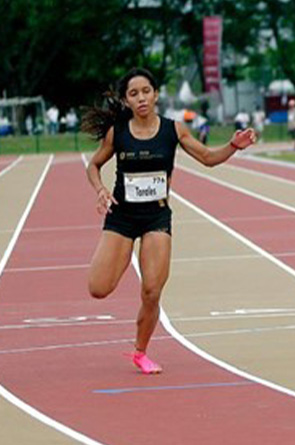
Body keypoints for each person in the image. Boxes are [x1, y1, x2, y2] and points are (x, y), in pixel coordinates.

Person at [82, 68, 256, 374]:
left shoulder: (173, 130)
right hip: (122, 216)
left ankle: (140, 352)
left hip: (157, 216)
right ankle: (118, 259)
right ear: (126, 100)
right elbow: (94, 165)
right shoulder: (118, 132)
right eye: (133, 94)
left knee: (151, 290)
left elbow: (207, 158)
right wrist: (100, 189)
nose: (141, 98)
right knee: (98, 288)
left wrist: (232, 146)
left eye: (146, 91)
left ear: (156, 94)